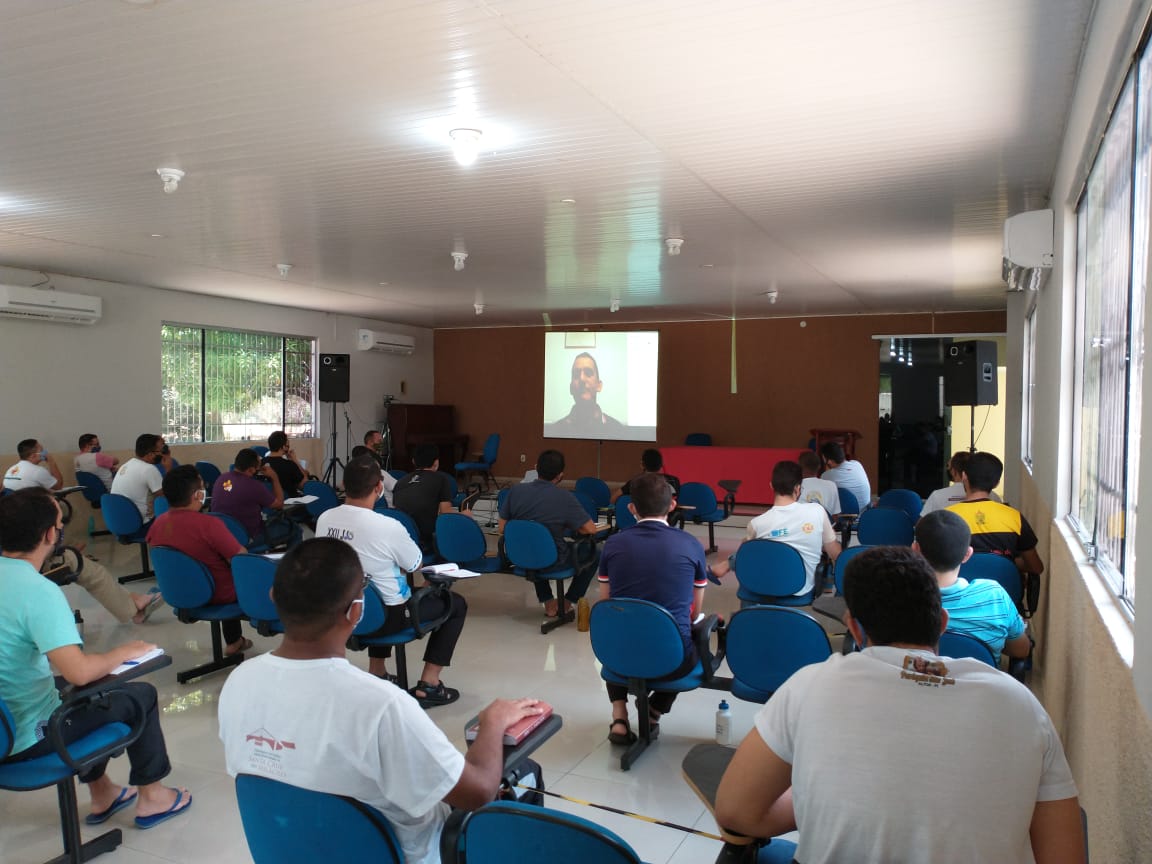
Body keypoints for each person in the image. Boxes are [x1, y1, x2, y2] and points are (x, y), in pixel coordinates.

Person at [713, 546, 1083, 864]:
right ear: (941, 623)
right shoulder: (1022, 704)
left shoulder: (811, 684)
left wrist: (821, 794)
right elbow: (1064, 855)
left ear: (854, 629)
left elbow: (736, 811)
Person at [218, 537, 542, 864]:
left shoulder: (240, 680)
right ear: (356, 610)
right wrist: (492, 722)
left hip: (296, 850)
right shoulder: (380, 704)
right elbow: (477, 793)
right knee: (525, 772)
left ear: (274, 597)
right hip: (411, 853)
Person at [0, 488, 192, 829]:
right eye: (59, 525)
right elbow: (79, 673)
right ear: (49, 535)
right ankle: (154, 797)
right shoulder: (37, 590)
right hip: (31, 737)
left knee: (80, 696)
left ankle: (103, 792)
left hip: (5, 726)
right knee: (139, 695)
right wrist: (122, 652)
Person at [316, 455, 468, 707]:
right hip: (387, 618)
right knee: (456, 604)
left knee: (374, 584)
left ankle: (378, 671)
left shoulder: (325, 519)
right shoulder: (388, 525)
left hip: (341, 612)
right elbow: (416, 564)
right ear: (378, 487)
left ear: (343, 484)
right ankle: (429, 683)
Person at [598, 472, 709, 744]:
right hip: (671, 661)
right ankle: (654, 710)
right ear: (672, 505)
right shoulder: (690, 544)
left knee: (621, 627)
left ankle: (619, 714)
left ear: (631, 508)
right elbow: (695, 612)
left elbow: (606, 604)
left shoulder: (613, 544)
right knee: (691, 634)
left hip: (619, 658)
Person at [146, 465, 252, 656]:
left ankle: (234, 641)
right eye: (202, 487)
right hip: (217, 594)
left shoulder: (157, 524)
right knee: (245, 574)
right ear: (196, 495)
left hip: (179, 593)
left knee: (219, 571)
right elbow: (241, 559)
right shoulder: (209, 524)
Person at [710, 460, 840, 596]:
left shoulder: (757, 524)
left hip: (765, 584)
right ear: (798, 488)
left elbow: (746, 555)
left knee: (750, 548)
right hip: (802, 588)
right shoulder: (817, 511)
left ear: (771, 486)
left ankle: (746, 614)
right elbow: (835, 553)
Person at [498, 449, 600, 620]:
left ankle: (548, 600)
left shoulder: (515, 491)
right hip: (552, 561)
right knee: (595, 552)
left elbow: (502, 528)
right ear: (560, 475)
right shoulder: (564, 497)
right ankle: (568, 601)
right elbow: (590, 529)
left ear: (536, 468)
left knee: (535, 544)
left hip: (519, 557)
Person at [914, 510, 1031, 658]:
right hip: (980, 681)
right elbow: (1021, 651)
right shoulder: (995, 596)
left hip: (908, 681)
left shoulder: (893, 596)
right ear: (968, 554)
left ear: (915, 550)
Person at [947, 451, 1044, 577]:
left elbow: (933, 563)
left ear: (964, 476)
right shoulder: (1014, 517)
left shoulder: (946, 517)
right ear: (997, 483)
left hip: (960, 594)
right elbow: (1036, 567)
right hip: (1006, 593)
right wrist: (1006, 563)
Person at [211, 447, 292, 546]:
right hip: (248, 537)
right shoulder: (254, 486)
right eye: (258, 466)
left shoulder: (222, 478)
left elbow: (232, 491)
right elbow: (279, 504)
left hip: (222, 535)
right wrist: (274, 478)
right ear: (251, 470)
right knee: (295, 529)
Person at [392, 443, 454, 551]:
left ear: (413, 461)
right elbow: (446, 514)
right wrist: (464, 515)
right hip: (427, 541)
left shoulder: (400, 482)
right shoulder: (441, 479)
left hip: (402, 541)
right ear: (436, 462)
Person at [546, 352, 624, 435]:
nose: (582, 379)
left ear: (599, 385)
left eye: (588, 373)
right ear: (571, 388)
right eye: (576, 374)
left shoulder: (619, 431)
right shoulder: (554, 431)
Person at [920, 451, 1001, 516]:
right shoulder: (994, 497)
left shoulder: (937, 496)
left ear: (954, 471)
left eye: (949, 467)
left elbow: (921, 526)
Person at [110, 434, 166, 520]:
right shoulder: (149, 469)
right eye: (160, 451)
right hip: (141, 522)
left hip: (119, 520)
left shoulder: (125, 465)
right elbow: (164, 496)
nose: (162, 455)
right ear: (151, 454)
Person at [819, 441, 871, 511]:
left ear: (829, 461)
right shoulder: (857, 464)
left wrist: (827, 468)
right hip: (866, 512)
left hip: (845, 516)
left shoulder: (826, 476)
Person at [616, 448, 681, 499]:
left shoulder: (635, 482)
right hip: (670, 515)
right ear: (661, 465)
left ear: (642, 465)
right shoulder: (674, 480)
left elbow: (615, 498)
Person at [262, 430, 307, 498]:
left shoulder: (261, 463)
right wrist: (295, 461)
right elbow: (304, 485)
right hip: (289, 502)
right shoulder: (290, 465)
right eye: (288, 444)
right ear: (283, 447)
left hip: (268, 501)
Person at [798, 450, 840, 517]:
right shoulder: (831, 485)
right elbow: (835, 517)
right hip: (826, 526)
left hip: (802, 526)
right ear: (819, 467)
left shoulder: (795, 487)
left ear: (799, 468)